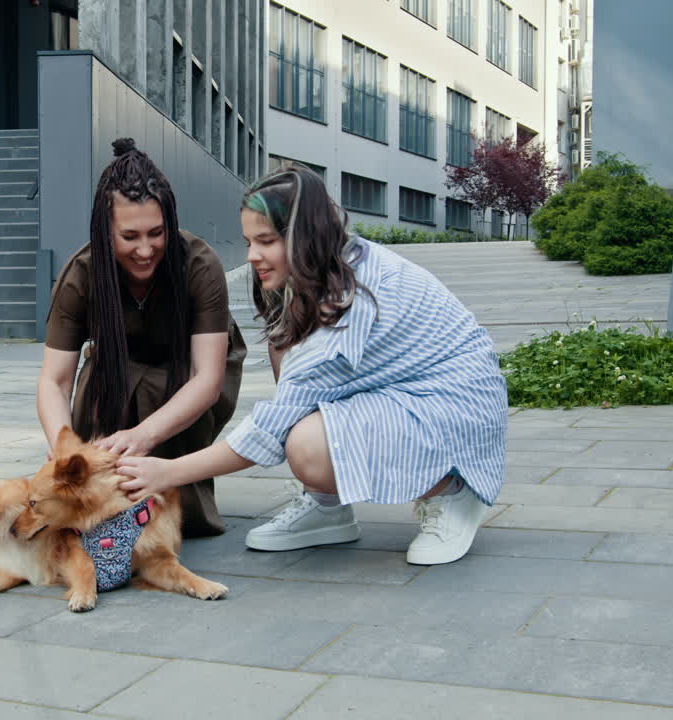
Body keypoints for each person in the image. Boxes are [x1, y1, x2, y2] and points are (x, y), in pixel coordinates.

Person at [116, 164, 507, 565]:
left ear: (305, 237)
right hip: (413, 389)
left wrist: (167, 473)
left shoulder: (349, 305)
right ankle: (328, 506)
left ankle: (452, 494)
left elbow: (268, 432)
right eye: (249, 240)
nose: (252, 256)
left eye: (266, 241)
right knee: (284, 345)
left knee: (307, 444)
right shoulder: (329, 267)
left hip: (456, 409)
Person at [37, 138, 248, 539]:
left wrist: (141, 437)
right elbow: (55, 379)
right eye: (129, 236)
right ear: (104, 230)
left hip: (185, 374)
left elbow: (207, 378)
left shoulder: (200, 265)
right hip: (113, 371)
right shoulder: (80, 275)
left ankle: (178, 489)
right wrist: (63, 447)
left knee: (152, 394)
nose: (146, 249)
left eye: (157, 233)